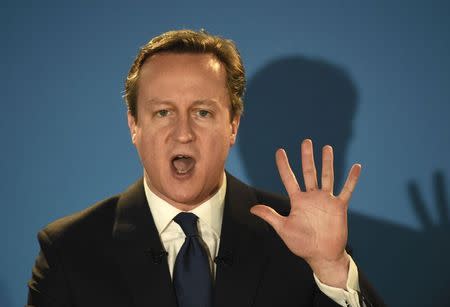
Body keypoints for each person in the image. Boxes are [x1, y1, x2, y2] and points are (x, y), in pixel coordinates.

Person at [27, 29, 384, 307]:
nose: (183, 134)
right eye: (163, 112)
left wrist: (333, 269)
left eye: (202, 112)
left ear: (233, 126)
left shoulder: (298, 237)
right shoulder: (69, 250)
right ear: (134, 125)